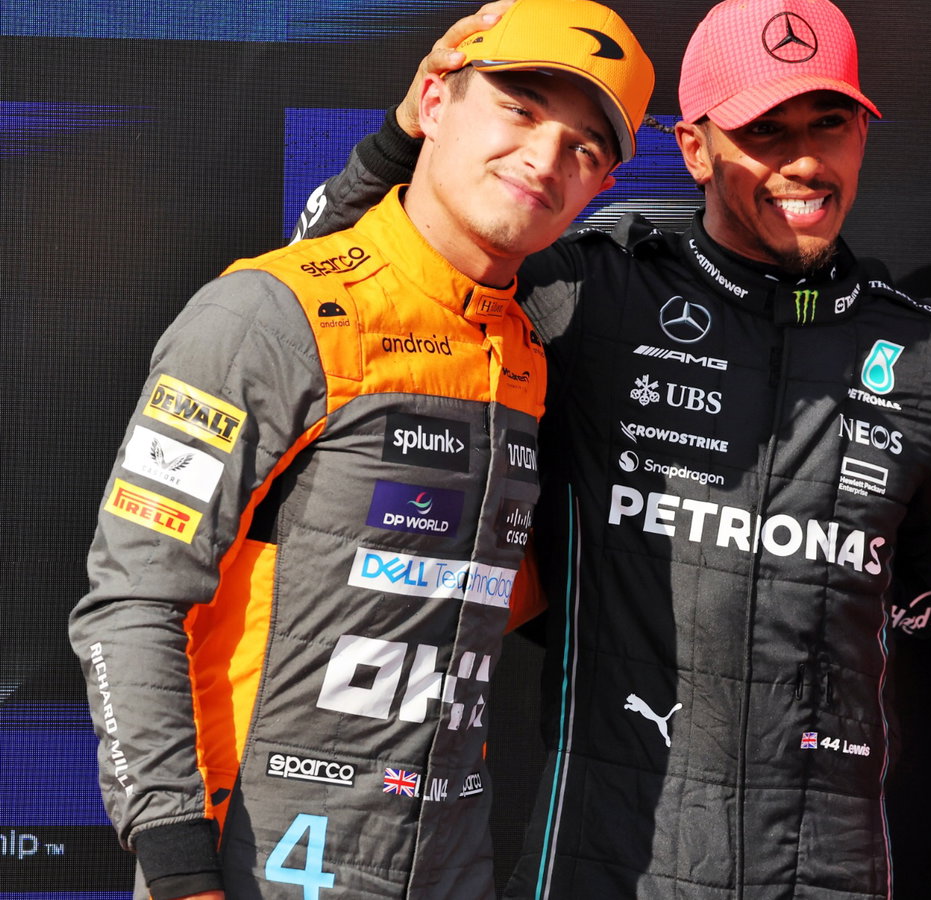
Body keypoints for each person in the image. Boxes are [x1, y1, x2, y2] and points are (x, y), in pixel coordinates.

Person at [296, 0, 931, 897]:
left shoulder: (929, 357)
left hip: (828, 870)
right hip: (601, 859)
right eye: (764, 131)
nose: (805, 161)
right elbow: (349, 300)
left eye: (828, 124)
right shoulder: (589, 292)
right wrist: (399, 143)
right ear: (694, 148)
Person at [65, 2, 654, 897]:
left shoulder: (532, 351)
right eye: (521, 108)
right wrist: (179, 868)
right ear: (434, 101)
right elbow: (131, 600)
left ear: (602, 186)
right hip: (253, 860)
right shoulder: (269, 313)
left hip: (450, 861)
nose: (545, 158)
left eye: (585, 147)